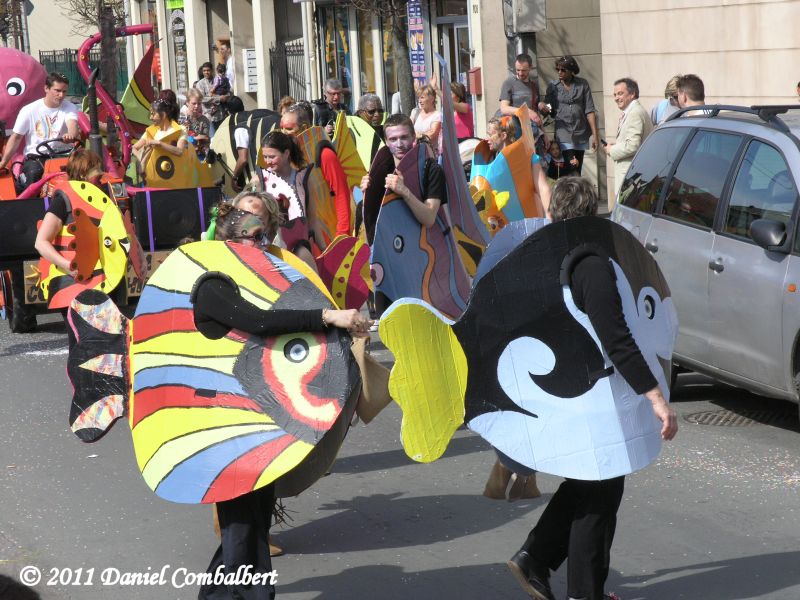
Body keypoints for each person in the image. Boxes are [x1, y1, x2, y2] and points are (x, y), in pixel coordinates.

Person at [506, 176, 678, 600]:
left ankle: (535, 557)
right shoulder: (591, 267)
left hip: (567, 390)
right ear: (592, 217)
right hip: (593, 398)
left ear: (554, 217)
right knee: (601, 493)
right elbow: (617, 339)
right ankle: (583, 593)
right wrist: (655, 397)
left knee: (587, 485)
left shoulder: (549, 259)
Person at [198, 203, 370, 600]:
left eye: (265, 236)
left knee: (252, 524)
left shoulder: (258, 281)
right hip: (225, 426)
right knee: (242, 528)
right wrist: (327, 317)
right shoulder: (213, 284)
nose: (262, 245)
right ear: (230, 240)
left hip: (256, 422)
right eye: (253, 237)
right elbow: (259, 322)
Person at [33, 147, 105, 347]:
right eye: (96, 170)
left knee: (100, 345)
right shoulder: (62, 201)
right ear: (82, 173)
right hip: (71, 284)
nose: (100, 175)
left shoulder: (102, 198)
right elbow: (41, 242)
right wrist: (69, 266)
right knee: (82, 345)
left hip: (100, 282)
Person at [280, 102, 352, 239]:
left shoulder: (325, 154)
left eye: (288, 129)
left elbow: (341, 193)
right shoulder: (287, 155)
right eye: (281, 128)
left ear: (304, 128)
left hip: (330, 232)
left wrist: (343, 233)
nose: (283, 133)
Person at [0, 71, 80, 194]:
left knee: (84, 171)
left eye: (64, 91)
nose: (61, 95)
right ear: (46, 88)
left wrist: (71, 135)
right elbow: (16, 138)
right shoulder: (29, 110)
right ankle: (30, 202)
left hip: (65, 156)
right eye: (57, 91)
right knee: (33, 174)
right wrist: (3, 162)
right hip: (37, 157)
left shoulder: (69, 107)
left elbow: (72, 125)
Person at [259, 129, 317, 270]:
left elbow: (313, 218)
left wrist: (322, 247)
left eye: (272, 157)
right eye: (265, 157)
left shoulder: (302, 179)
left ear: (286, 153)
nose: (267, 161)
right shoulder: (260, 181)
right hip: (273, 247)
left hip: (301, 245)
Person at [539, 55, 599, 177]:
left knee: (577, 168)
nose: (559, 72)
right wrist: (543, 107)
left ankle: (572, 188)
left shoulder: (582, 84)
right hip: (563, 133)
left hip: (581, 133)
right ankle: (573, 188)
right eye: (558, 69)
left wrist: (595, 135)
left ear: (571, 71)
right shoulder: (553, 86)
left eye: (563, 70)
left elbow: (590, 110)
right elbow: (549, 109)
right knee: (572, 167)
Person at [604, 77, 653, 197]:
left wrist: (612, 150)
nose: (616, 98)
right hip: (631, 177)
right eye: (615, 95)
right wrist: (615, 146)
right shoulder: (632, 111)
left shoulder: (635, 112)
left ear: (632, 94)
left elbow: (633, 146)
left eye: (620, 93)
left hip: (631, 179)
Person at [132, 92, 188, 173]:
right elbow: (133, 148)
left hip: (173, 174)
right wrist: (142, 157)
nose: (151, 117)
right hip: (152, 174)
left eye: (153, 114)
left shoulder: (180, 129)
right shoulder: (151, 131)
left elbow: (180, 151)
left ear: (164, 115)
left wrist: (159, 143)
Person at [499, 53, 542, 127]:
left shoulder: (534, 85)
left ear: (530, 67)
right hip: (514, 128)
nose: (520, 73)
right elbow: (504, 109)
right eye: (518, 70)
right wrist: (526, 111)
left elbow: (535, 110)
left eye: (524, 70)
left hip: (530, 128)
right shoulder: (509, 83)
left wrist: (543, 132)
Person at [196, 61, 228, 137]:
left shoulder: (219, 80)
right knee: (213, 138)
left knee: (222, 138)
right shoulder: (200, 84)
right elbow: (202, 99)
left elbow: (227, 91)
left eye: (208, 70)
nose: (206, 72)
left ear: (212, 70)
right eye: (204, 71)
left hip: (221, 115)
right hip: (208, 117)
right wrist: (218, 99)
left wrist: (225, 96)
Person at [179, 88, 211, 159]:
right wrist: (195, 138)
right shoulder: (181, 118)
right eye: (194, 103)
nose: (197, 106)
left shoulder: (204, 120)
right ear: (187, 102)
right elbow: (179, 138)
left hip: (199, 156)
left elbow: (205, 140)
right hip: (184, 155)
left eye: (199, 103)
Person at [410, 84, 442, 153]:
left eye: (422, 97)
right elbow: (408, 129)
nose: (419, 101)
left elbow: (431, 135)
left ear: (432, 99)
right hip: (414, 152)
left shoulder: (437, 115)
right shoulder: (415, 112)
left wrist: (415, 134)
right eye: (419, 98)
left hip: (430, 154)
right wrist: (422, 135)